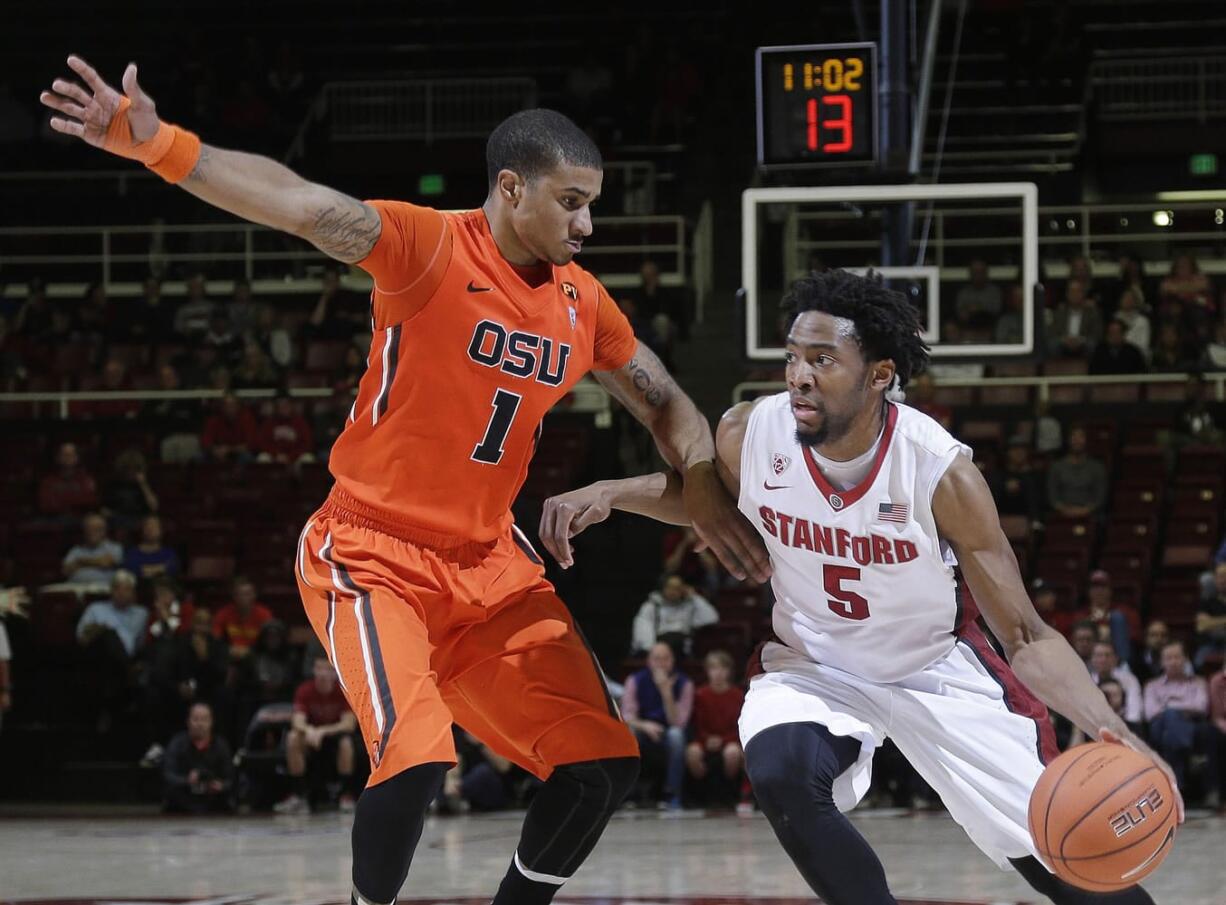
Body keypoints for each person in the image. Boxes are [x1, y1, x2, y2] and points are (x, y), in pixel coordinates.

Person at [40, 58, 763, 905]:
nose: (589, 223)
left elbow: (668, 399)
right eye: (572, 201)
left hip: (491, 565)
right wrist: (160, 144)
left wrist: (704, 475)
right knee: (417, 754)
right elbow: (304, 203)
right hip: (372, 550)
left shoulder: (581, 301)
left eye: (591, 203)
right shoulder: (428, 246)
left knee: (603, 760)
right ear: (511, 188)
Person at [543, 269, 1175, 904]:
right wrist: (612, 493)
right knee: (782, 774)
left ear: (879, 374)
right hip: (817, 667)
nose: (799, 375)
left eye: (823, 359)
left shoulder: (937, 471)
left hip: (936, 669)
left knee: (1069, 854)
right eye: (792, 357)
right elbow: (700, 499)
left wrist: (1109, 726)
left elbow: (1026, 635)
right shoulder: (751, 433)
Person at [275, 656, 359, 814]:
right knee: (293, 738)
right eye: (319, 668)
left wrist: (322, 731)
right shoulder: (305, 690)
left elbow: (349, 724)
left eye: (327, 669)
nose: (322, 673)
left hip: (334, 737)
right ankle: (299, 796)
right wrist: (310, 731)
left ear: (335, 673)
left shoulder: (343, 690)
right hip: (311, 738)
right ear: (313, 670)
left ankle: (345, 795)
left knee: (346, 743)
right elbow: (297, 721)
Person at [620, 641, 693, 809]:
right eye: (656, 658)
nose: (661, 663)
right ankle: (630, 794)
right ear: (649, 661)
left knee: (676, 735)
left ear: (672, 661)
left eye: (665, 658)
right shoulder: (635, 680)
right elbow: (627, 715)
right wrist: (645, 725)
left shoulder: (684, 683)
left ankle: (672, 793)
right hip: (643, 727)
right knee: (629, 734)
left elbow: (679, 722)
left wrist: (666, 691)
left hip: (669, 729)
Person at [76, 570, 148, 732]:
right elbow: (81, 638)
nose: (121, 593)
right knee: (109, 635)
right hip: (99, 660)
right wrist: (99, 631)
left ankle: (109, 709)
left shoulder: (141, 613)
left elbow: (143, 644)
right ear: (111, 591)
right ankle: (128, 676)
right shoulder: (96, 609)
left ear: (133, 592)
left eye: (126, 589)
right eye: (117, 588)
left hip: (127, 660)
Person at [1143, 641, 1214, 797]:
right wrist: (1178, 709)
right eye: (1168, 658)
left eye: (1177, 657)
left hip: (1191, 727)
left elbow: (1201, 707)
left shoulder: (1198, 682)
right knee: (1170, 717)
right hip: (1159, 727)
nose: (1173, 662)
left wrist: (1170, 706)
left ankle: (1177, 785)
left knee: (1171, 726)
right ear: (1162, 662)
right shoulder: (1152, 685)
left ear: (1186, 659)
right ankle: (1189, 753)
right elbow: (1150, 713)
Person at [685, 649, 745, 807]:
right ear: (707, 671)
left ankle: (728, 794)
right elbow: (697, 724)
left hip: (730, 740)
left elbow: (740, 726)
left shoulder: (737, 695)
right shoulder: (700, 695)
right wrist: (706, 739)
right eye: (713, 668)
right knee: (693, 752)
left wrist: (724, 740)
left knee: (732, 753)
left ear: (729, 671)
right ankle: (701, 795)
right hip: (705, 739)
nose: (718, 673)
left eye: (722, 668)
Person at [163, 701, 234, 813]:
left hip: (213, 801)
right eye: (195, 719)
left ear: (211, 722)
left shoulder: (221, 745)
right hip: (183, 801)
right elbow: (169, 775)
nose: (200, 724)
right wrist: (188, 780)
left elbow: (230, 779)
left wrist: (220, 785)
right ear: (188, 722)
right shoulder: (177, 743)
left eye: (204, 719)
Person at [630, 573, 718, 656]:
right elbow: (643, 629)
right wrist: (655, 651)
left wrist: (694, 596)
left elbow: (711, 618)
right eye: (670, 587)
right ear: (663, 588)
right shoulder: (652, 606)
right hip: (657, 647)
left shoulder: (690, 604)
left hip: (682, 650)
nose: (673, 591)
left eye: (677, 588)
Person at [1069, 569, 1139, 663]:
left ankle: (1122, 666)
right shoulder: (1080, 614)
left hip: (1115, 656)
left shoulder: (1125, 612)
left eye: (1103, 586)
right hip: (1087, 658)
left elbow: (1134, 637)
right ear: (1088, 591)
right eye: (1095, 587)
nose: (1099, 590)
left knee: (1118, 618)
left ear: (1110, 590)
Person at [1046, 426, 1108, 518]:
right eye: (1073, 437)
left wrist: (1084, 510)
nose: (1077, 440)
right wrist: (1065, 509)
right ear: (1068, 440)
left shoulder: (1097, 467)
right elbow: (1052, 496)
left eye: (1081, 437)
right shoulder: (1056, 467)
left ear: (1086, 440)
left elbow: (1100, 497)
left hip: (1089, 515)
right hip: (1062, 514)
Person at [211, 576, 273, 659]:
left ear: (254, 595)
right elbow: (215, 639)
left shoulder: (264, 614)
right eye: (239, 594)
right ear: (234, 596)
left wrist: (250, 651)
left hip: (256, 656)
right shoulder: (223, 613)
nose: (243, 598)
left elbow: (270, 641)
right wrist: (227, 650)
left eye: (247, 594)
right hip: (229, 655)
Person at [1088, 641, 1142, 730]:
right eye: (1099, 655)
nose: (1103, 659)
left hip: (1126, 726)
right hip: (1095, 726)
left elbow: (1134, 712)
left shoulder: (1129, 679)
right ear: (1092, 659)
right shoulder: (1086, 681)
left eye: (1108, 655)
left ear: (1116, 659)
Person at [37, 441, 98, 521]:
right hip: (54, 520)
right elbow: (46, 504)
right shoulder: (48, 481)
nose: (68, 457)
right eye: (64, 455)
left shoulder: (86, 479)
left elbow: (90, 501)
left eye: (71, 455)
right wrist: (75, 499)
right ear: (57, 458)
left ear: (77, 457)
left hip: (80, 519)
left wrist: (63, 499)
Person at [61, 513, 123, 588]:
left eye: (97, 529)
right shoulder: (76, 550)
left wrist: (80, 562)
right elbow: (66, 571)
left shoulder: (114, 548)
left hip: (102, 590)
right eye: (89, 528)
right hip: (76, 589)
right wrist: (96, 562)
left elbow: (105, 563)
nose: (92, 532)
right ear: (84, 530)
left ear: (104, 531)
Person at [1047, 280, 1102, 358]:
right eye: (1072, 292)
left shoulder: (1092, 312)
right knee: (1052, 345)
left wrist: (1081, 340)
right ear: (1067, 294)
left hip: (1084, 342)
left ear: (1083, 294)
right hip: (1063, 342)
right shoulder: (1059, 312)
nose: (1075, 295)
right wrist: (1064, 339)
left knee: (1092, 345)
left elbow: (1097, 334)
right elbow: (1052, 332)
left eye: (1078, 292)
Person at [123, 515, 180, 581]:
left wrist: (146, 570)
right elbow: (130, 570)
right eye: (147, 526)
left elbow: (172, 568)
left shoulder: (169, 553)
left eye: (154, 526)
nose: (150, 529)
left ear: (161, 530)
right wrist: (160, 569)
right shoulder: (132, 553)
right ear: (142, 529)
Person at [1195, 562, 1226, 671]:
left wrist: (1212, 622)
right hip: (1210, 644)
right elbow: (1202, 625)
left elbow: (1208, 623)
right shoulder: (1207, 600)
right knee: (1199, 663)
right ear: (1215, 579)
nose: (1223, 580)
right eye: (1220, 576)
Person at [954, 259, 1002, 328]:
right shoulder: (963, 292)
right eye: (975, 272)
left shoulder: (994, 291)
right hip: (968, 329)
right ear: (971, 274)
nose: (978, 275)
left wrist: (978, 308)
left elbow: (996, 311)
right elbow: (960, 313)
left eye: (981, 271)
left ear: (986, 273)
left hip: (990, 328)